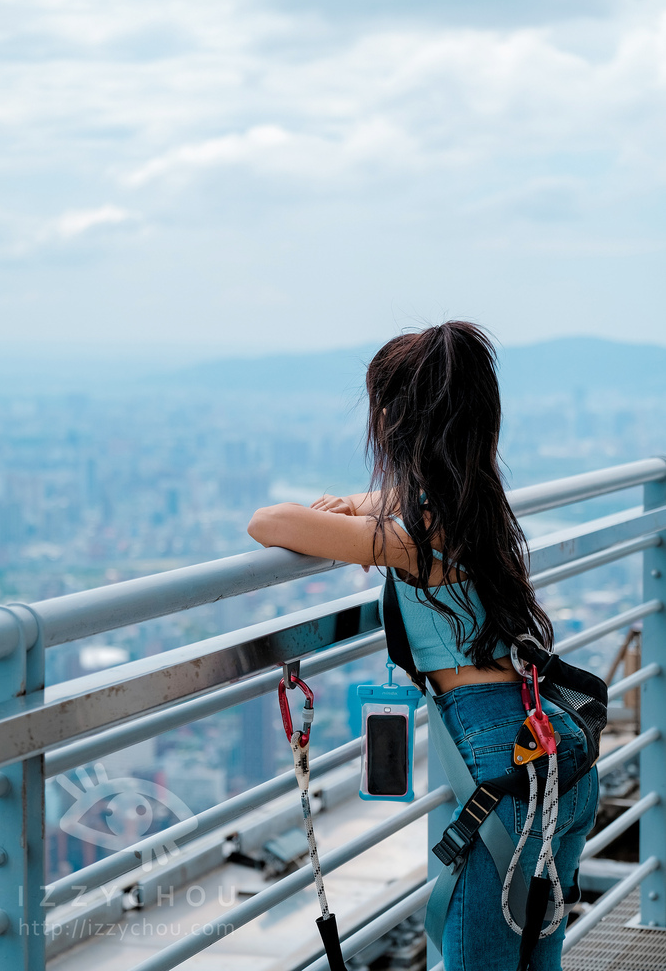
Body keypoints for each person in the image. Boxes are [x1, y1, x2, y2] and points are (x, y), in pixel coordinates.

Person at [248, 321, 599, 971]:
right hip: (558, 753)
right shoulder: (476, 503)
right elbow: (392, 506)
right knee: (534, 955)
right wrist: (361, 508)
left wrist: (348, 519)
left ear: (399, 420)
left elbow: (268, 524)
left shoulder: (409, 535)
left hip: (497, 770)